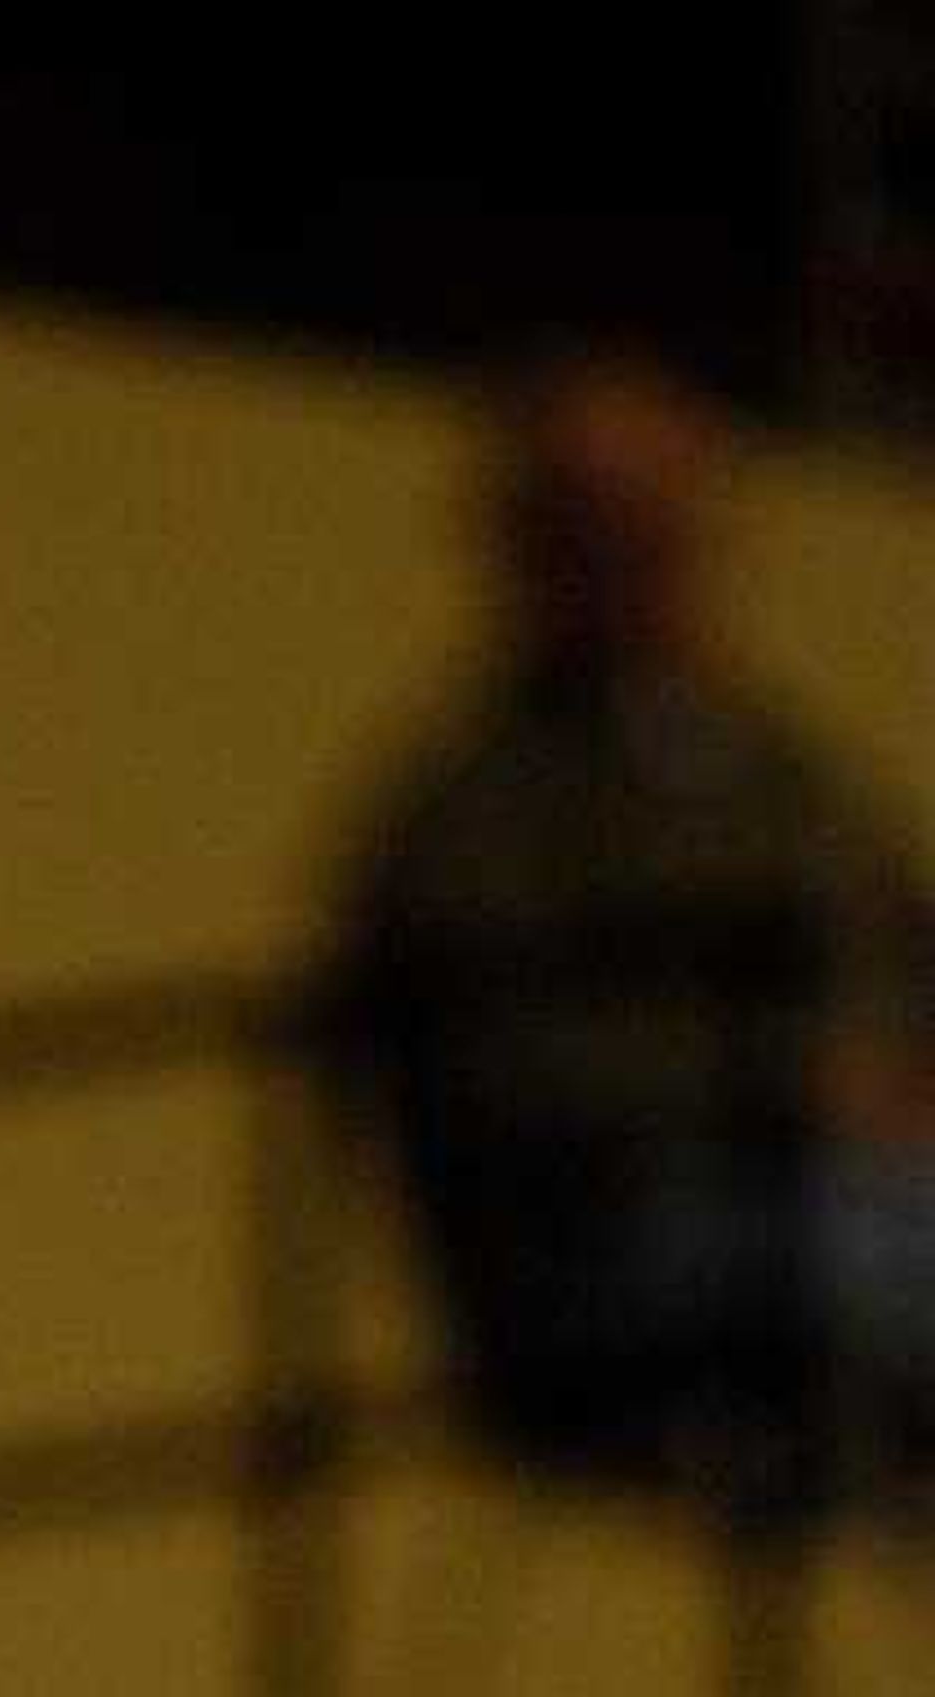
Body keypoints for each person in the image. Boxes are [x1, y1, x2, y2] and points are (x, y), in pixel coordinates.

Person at [311, 343, 935, 1503]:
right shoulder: (470, 814)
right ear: (523, 543)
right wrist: (783, 1086)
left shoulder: (775, 770)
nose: (644, 554)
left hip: (848, 1204)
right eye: (600, 520)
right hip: (605, 1265)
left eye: (667, 518)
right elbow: (497, 1072)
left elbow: (896, 940)